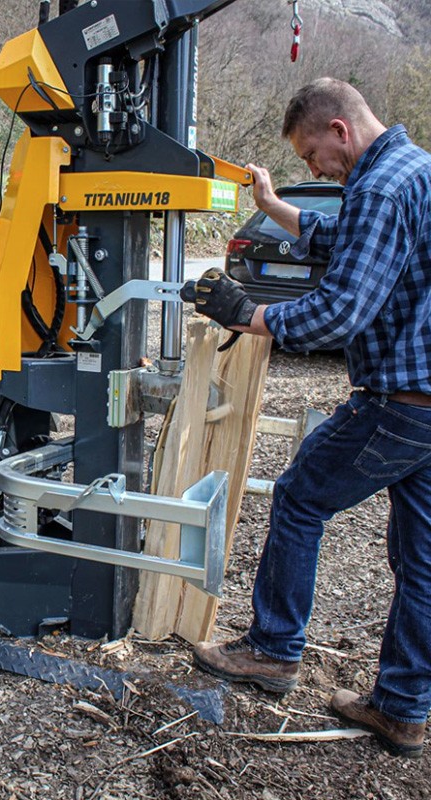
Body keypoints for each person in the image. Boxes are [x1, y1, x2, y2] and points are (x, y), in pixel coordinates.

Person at [182, 77, 431, 759]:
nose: (313, 169)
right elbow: (342, 237)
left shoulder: (379, 188)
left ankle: (272, 649)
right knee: (423, 559)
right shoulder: (414, 172)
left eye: (312, 155)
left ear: (340, 131)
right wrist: (274, 207)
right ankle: (404, 709)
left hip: (401, 401)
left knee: (297, 497)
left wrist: (247, 314)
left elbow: (341, 310)